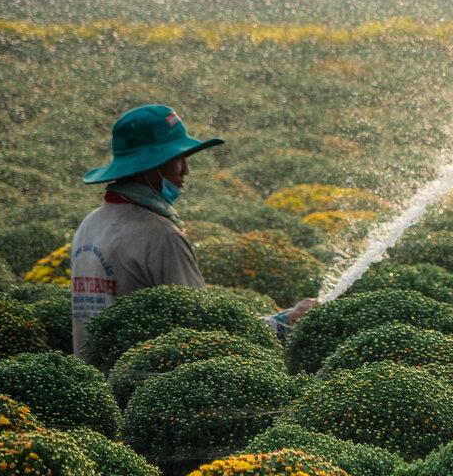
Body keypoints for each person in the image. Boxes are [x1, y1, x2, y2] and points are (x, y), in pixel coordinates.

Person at [71, 103, 316, 358]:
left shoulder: (90, 224)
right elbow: (202, 332)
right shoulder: (160, 236)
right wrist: (282, 323)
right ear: (150, 166)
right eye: (178, 159)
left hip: (96, 381)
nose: (186, 170)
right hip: (147, 384)